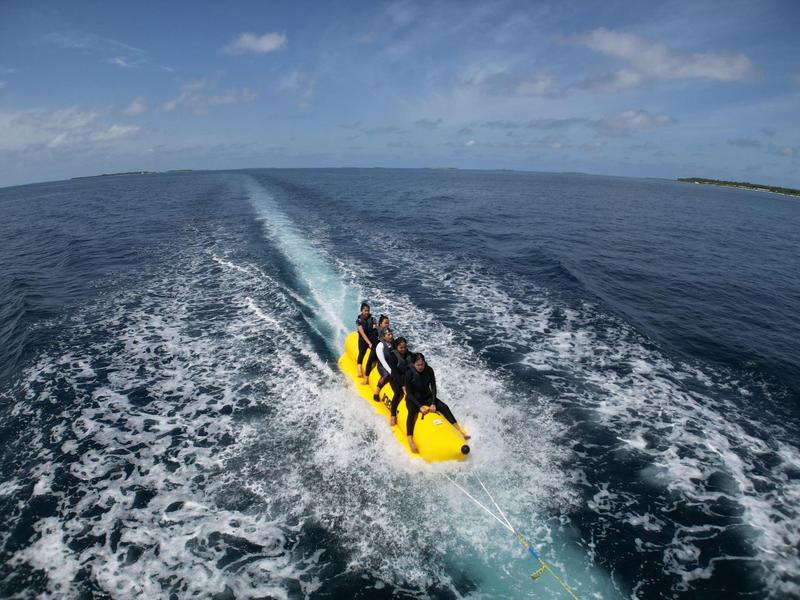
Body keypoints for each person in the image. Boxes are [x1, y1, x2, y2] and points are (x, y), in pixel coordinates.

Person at [403, 353, 470, 453]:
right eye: (418, 365)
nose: (421, 367)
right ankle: (410, 439)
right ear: (413, 364)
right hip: (413, 399)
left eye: (422, 364)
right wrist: (420, 407)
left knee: (444, 407)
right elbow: (409, 393)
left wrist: (433, 402)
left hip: (427, 396)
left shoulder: (429, 370)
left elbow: (433, 387)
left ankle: (459, 431)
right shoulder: (409, 373)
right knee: (412, 412)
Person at [387, 336, 413, 427]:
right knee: (398, 392)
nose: (403, 349)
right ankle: (393, 415)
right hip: (395, 378)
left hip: (406, 377)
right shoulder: (393, 356)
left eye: (405, 347)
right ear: (396, 347)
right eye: (401, 347)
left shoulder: (409, 354)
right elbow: (395, 373)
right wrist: (403, 386)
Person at [355, 303, 377, 384]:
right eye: (365, 311)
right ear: (361, 311)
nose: (367, 312)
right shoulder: (359, 321)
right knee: (362, 352)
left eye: (368, 311)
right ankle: (359, 369)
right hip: (363, 339)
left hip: (371, 337)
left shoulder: (373, 319)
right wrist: (369, 343)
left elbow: (375, 329)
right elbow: (363, 334)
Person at [373, 327, 395, 402]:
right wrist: (390, 371)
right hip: (382, 366)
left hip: (392, 365)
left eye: (391, 334)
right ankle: (376, 392)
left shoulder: (394, 344)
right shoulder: (380, 346)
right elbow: (383, 361)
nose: (391, 336)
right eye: (388, 335)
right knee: (386, 375)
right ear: (384, 336)